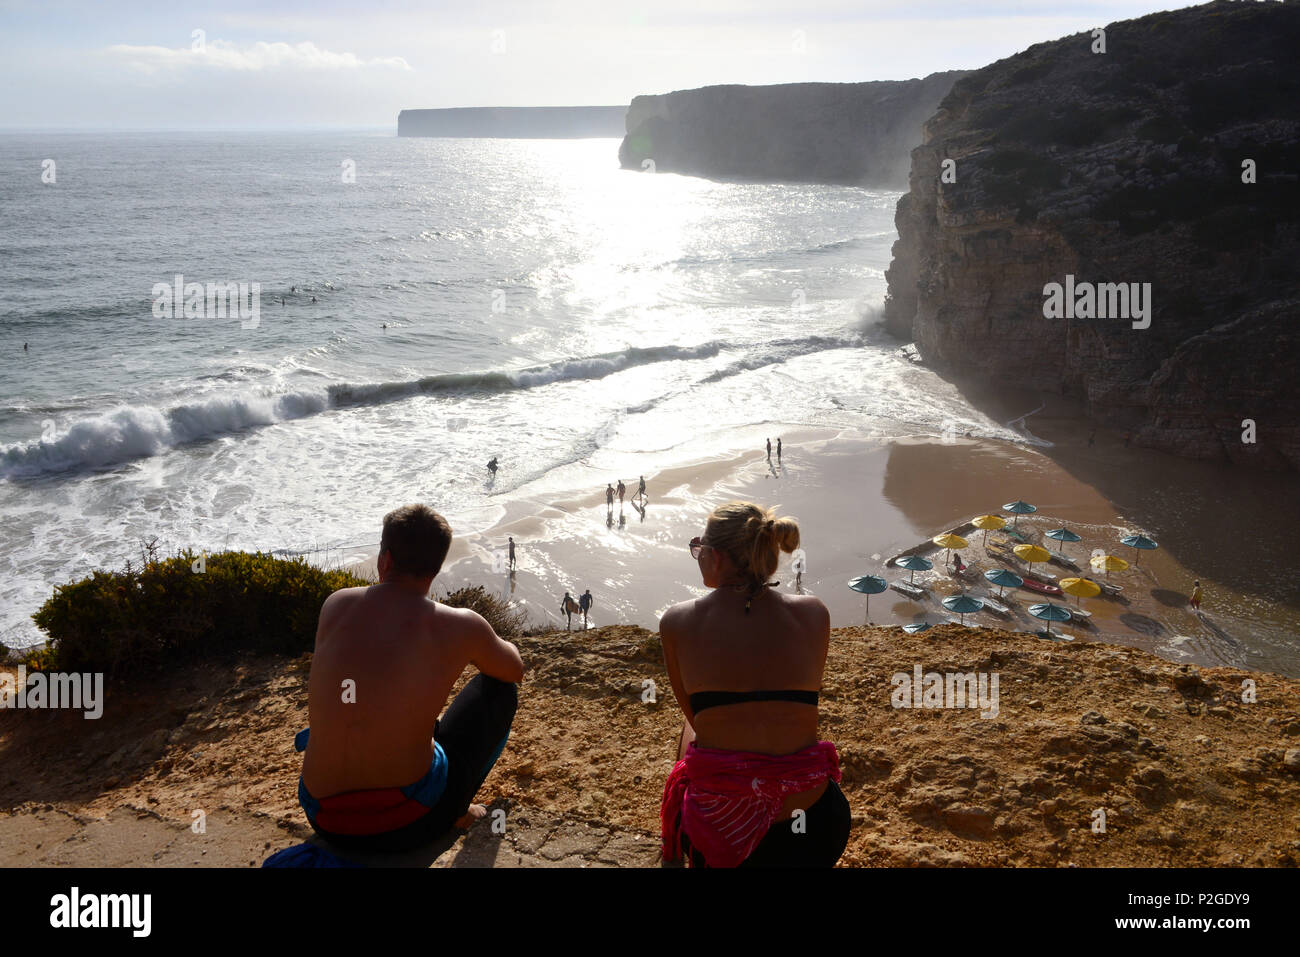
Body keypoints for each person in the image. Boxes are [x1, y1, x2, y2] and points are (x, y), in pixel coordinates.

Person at [298, 505, 524, 853]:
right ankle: (457, 810)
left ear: (385, 560)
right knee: (498, 690)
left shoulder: (336, 604)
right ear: (435, 569)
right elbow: (513, 670)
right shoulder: (462, 625)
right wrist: (485, 639)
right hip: (405, 825)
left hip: (321, 814)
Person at [659, 501, 849, 868]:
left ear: (716, 558)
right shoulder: (814, 613)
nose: (696, 555)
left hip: (726, 827)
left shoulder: (677, 622)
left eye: (699, 548)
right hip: (814, 822)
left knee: (692, 729)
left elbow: (697, 721)